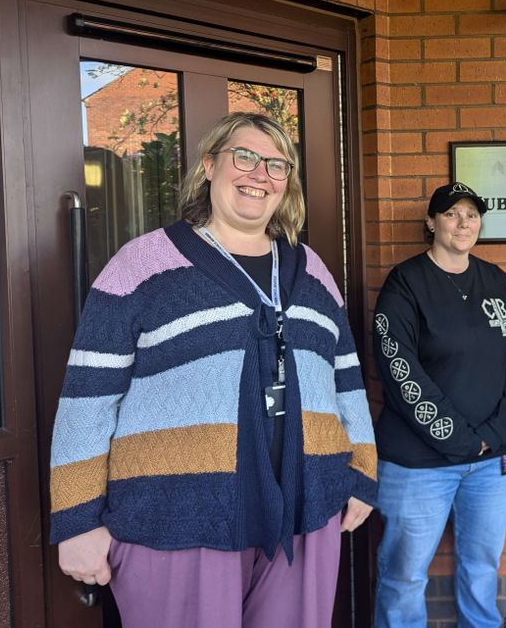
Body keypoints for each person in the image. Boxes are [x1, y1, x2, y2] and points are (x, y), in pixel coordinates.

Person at [49, 112, 377, 628]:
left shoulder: (311, 268)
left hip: (305, 511)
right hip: (177, 514)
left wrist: (362, 472)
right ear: (209, 166)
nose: (259, 174)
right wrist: (76, 521)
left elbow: (346, 376)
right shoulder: (143, 265)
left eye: (276, 165)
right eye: (243, 157)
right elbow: (89, 396)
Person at [372, 182, 506, 628]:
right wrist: (459, 437)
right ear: (431, 223)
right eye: (451, 214)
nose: (463, 223)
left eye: (472, 215)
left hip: (493, 459)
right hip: (419, 463)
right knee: (404, 574)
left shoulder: (496, 280)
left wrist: (492, 435)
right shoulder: (405, 283)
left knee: (482, 568)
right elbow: (399, 369)